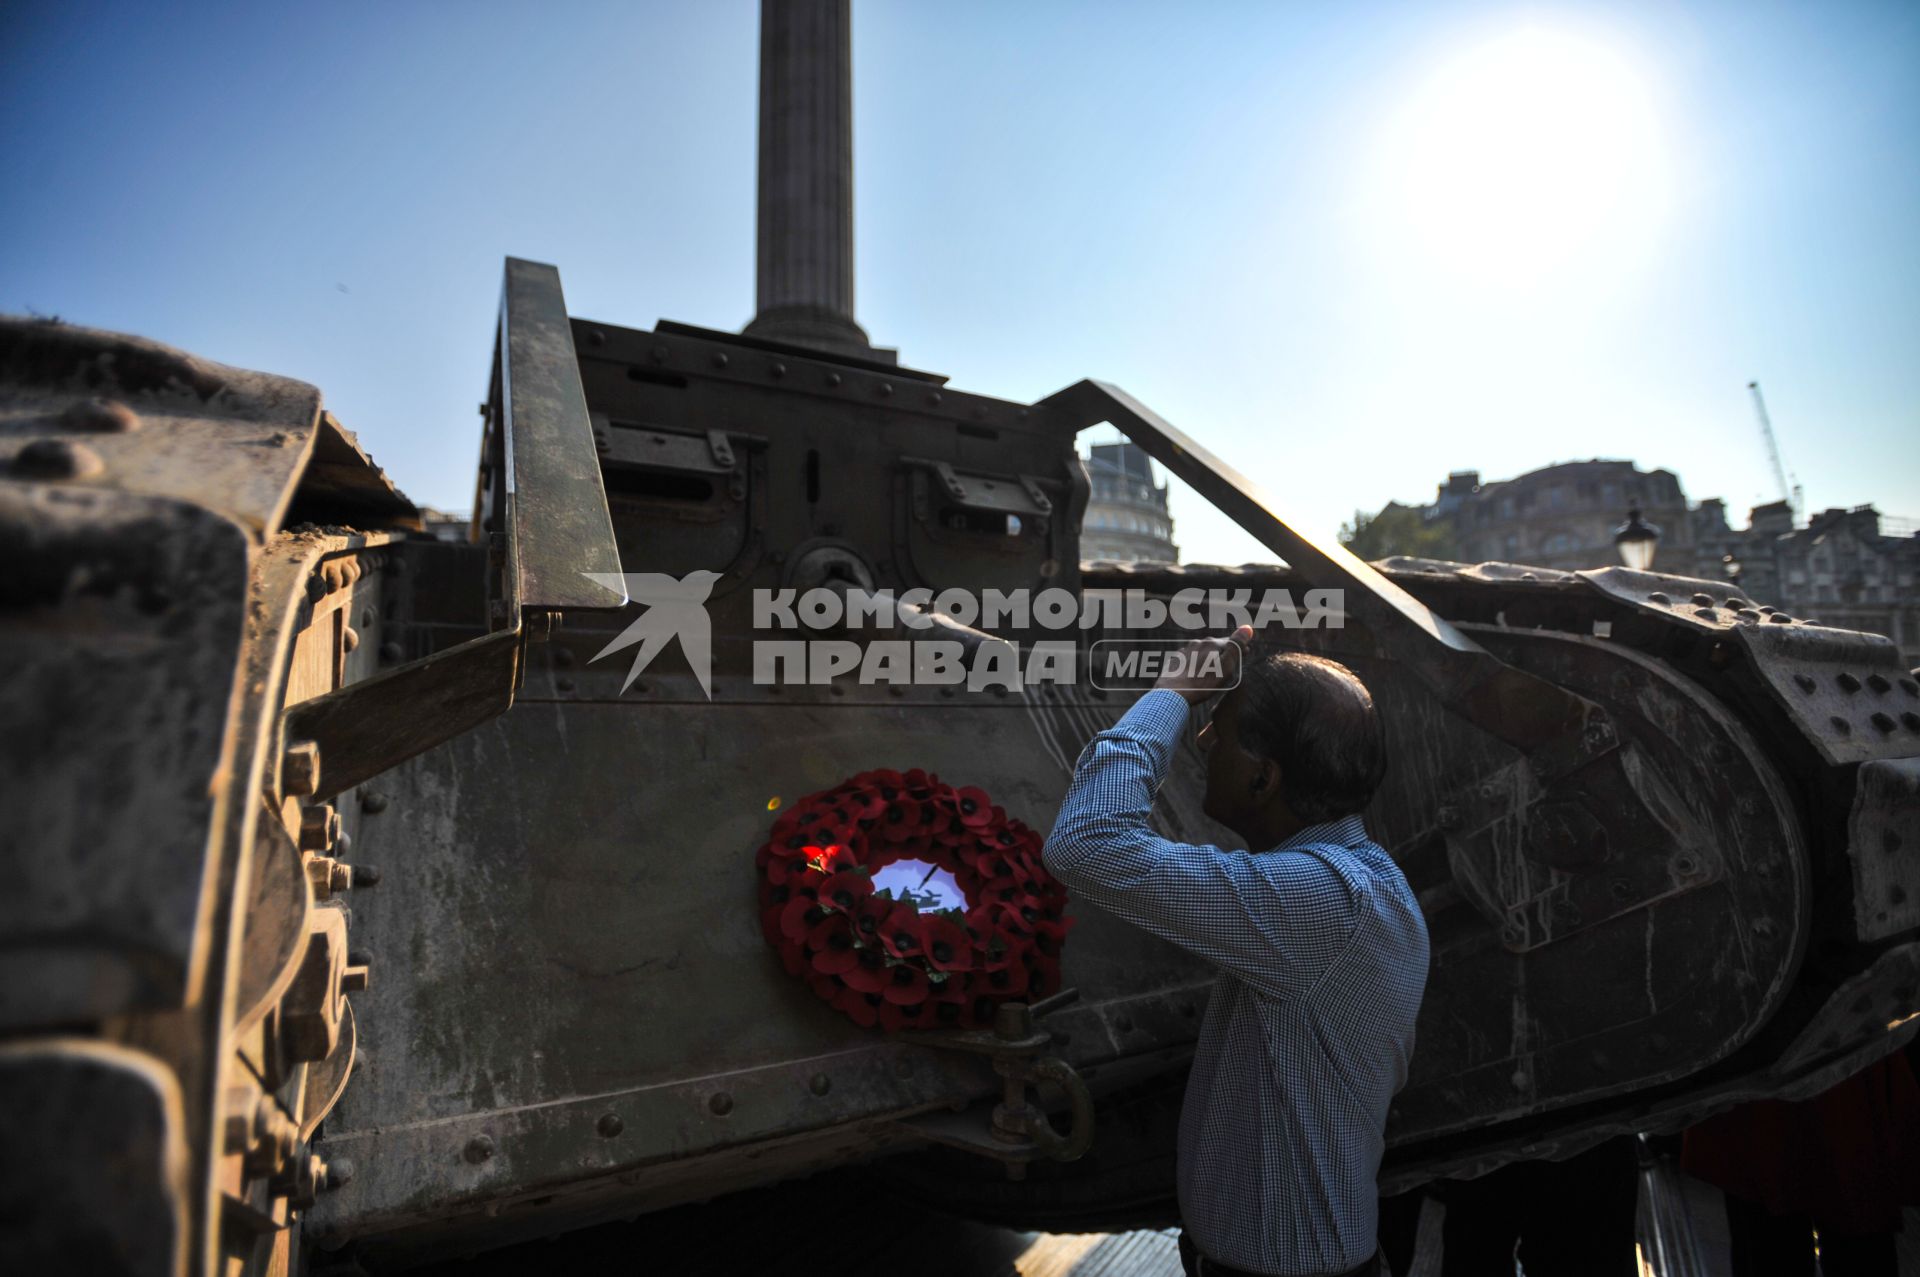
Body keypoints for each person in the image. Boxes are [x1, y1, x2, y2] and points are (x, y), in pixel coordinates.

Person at [1042, 626, 1430, 1277]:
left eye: (1218, 729)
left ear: (1262, 777)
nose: (1201, 740)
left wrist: (1172, 690)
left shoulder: (1319, 899)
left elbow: (1085, 840)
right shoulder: (1353, 879)